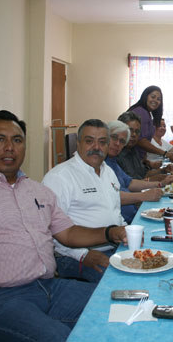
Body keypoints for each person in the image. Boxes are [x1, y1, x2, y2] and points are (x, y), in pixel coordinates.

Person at [0, 110, 128, 342]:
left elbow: (68, 233)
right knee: (62, 338)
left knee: (122, 306)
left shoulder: (37, 191)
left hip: (50, 287)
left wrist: (110, 232)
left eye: (17, 140)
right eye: (0, 139)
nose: (10, 147)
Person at [42, 119, 129, 285]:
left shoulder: (108, 172)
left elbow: (115, 214)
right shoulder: (59, 177)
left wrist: (129, 234)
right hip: (74, 256)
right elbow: (51, 231)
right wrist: (82, 255)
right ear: (79, 143)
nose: (96, 147)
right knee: (122, 283)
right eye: (89, 141)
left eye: (102, 142)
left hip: (114, 247)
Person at [106, 120, 169, 223]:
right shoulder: (99, 163)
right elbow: (110, 196)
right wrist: (144, 196)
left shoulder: (112, 160)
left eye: (122, 141)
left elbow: (130, 182)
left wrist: (160, 184)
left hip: (134, 214)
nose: (117, 143)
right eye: (114, 138)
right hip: (124, 221)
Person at [117, 111, 173, 181]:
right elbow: (128, 185)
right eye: (130, 130)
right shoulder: (116, 153)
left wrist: (163, 170)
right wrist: (151, 180)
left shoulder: (133, 150)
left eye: (137, 132)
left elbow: (144, 174)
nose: (134, 134)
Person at [128, 85, 173, 161]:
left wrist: (148, 163)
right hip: (129, 159)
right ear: (145, 96)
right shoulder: (141, 112)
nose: (155, 101)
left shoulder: (146, 113)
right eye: (153, 97)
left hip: (138, 159)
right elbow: (141, 141)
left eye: (158, 99)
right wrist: (164, 153)